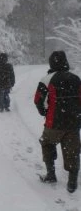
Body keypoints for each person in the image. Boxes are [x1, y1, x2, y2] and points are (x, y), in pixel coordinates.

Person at [34, 51, 81, 193]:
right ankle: (72, 182)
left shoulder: (46, 79)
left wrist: (44, 112)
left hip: (53, 123)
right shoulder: (76, 79)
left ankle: (51, 174)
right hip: (73, 123)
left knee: (47, 143)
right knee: (73, 151)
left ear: (51, 63)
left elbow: (37, 100)